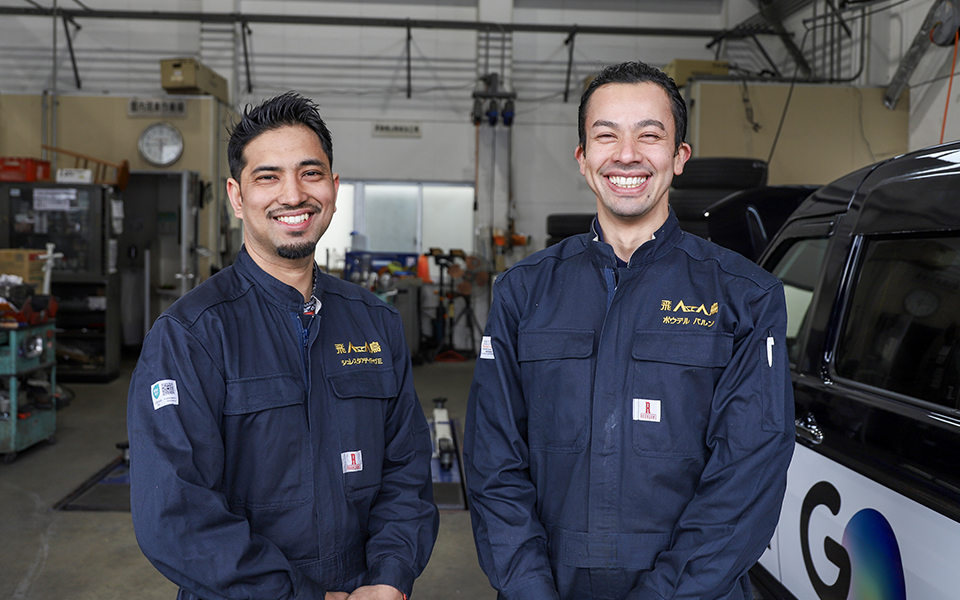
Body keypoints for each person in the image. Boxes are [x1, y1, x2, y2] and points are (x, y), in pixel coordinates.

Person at [463, 61, 794, 600]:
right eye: (606, 135)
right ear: (583, 158)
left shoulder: (745, 297)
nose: (626, 155)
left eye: (650, 135)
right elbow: (492, 460)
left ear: (679, 156)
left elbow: (747, 477)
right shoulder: (522, 292)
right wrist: (529, 589)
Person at [128, 91, 438, 600]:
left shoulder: (375, 322)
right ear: (236, 196)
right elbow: (175, 513)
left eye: (310, 173)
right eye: (267, 177)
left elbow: (407, 471)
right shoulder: (191, 334)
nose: (293, 195)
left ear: (334, 187)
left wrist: (390, 576)